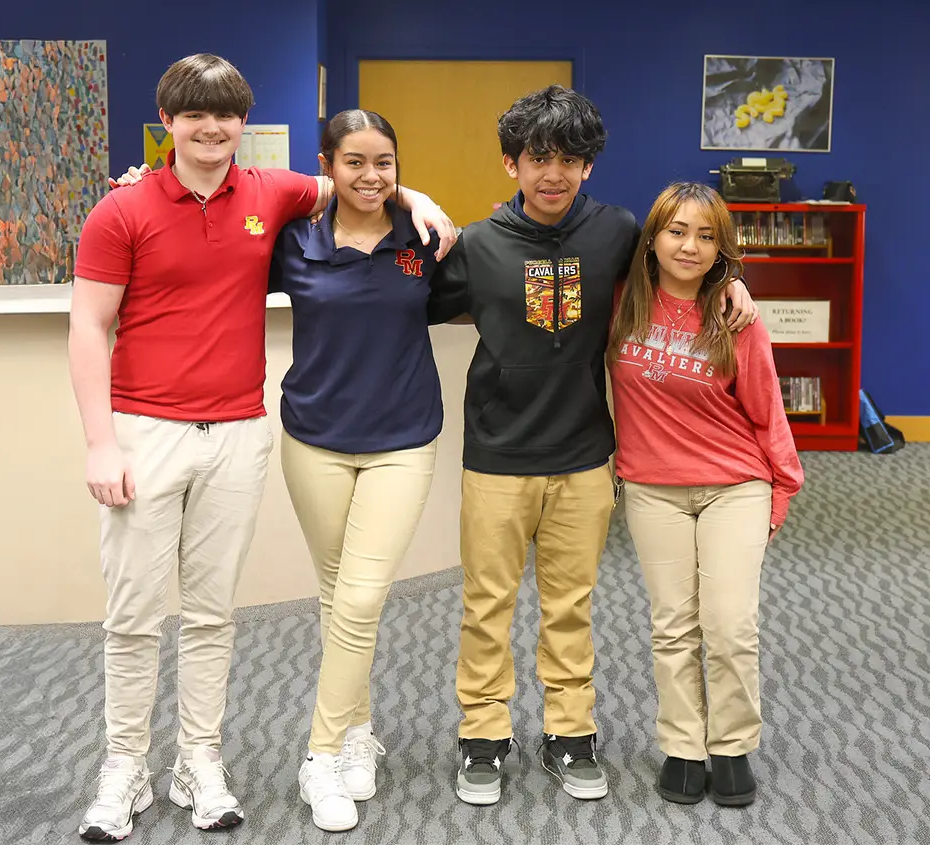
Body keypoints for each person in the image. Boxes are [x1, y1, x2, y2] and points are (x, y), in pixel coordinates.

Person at [69, 55, 453, 841]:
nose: (211, 130)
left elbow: (362, 181)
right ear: (167, 119)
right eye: (194, 115)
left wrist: (419, 193)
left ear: (244, 124)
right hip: (145, 432)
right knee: (135, 615)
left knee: (213, 616)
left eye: (226, 116)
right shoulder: (122, 210)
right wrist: (100, 442)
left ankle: (199, 763)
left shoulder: (272, 193)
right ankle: (124, 766)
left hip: (240, 430)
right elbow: (86, 326)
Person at [428, 85, 759, 807]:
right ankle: (482, 737)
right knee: (486, 603)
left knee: (570, 603)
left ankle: (569, 734)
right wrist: (412, 206)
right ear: (511, 162)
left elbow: (686, 262)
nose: (554, 172)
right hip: (496, 457)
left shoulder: (616, 233)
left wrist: (736, 279)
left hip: (584, 456)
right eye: (538, 157)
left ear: (589, 167)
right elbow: (399, 292)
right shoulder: (478, 245)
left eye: (570, 158)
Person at [264, 109, 465, 833]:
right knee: (335, 595)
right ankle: (356, 733)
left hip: (402, 441)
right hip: (314, 438)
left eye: (386, 162)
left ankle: (318, 755)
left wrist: (422, 202)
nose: (372, 175)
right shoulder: (295, 242)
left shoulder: (425, 238)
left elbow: (490, 267)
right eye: (356, 161)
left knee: (359, 599)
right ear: (329, 164)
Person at [607, 182, 802, 808]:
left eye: (706, 235)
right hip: (652, 486)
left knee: (729, 624)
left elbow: (768, 409)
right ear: (653, 238)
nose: (689, 246)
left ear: (723, 247)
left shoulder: (734, 314)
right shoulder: (619, 303)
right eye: (677, 231)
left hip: (734, 485)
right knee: (672, 626)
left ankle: (732, 745)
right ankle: (684, 746)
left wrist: (781, 487)